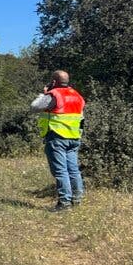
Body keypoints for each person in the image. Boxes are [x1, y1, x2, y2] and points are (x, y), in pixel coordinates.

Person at [32, 70, 85, 211]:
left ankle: (64, 203)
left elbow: (35, 107)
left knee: (61, 171)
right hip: (74, 137)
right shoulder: (77, 95)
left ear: (54, 82)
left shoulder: (54, 95)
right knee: (73, 170)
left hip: (57, 136)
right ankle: (77, 200)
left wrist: (44, 94)